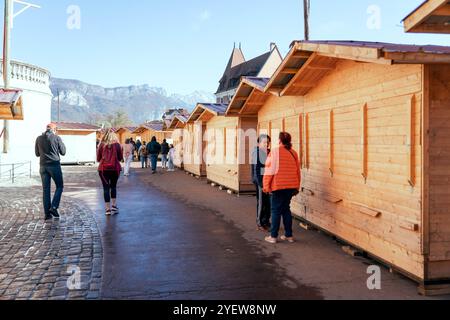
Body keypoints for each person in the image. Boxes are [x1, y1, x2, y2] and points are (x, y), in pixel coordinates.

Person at [263, 132, 301, 244]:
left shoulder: (274, 152)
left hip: (278, 186)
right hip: (291, 186)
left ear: (279, 140)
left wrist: (266, 186)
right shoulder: (294, 153)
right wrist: (297, 186)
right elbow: (298, 171)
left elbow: (269, 171)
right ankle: (289, 236)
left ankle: (273, 236)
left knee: (275, 211)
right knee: (286, 210)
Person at [35, 123, 67, 221]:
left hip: (43, 166)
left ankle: (47, 214)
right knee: (60, 186)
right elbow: (63, 152)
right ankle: (53, 207)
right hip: (54, 165)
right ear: (54, 129)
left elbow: (37, 154)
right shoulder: (56, 138)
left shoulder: (38, 138)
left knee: (46, 190)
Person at [97, 129, 123, 216]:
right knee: (113, 187)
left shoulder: (101, 145)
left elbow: (98, 158)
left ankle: (107, 209)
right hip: (115, 169)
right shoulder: (117, 145)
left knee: (106, 188)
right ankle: (114, 206)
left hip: (103, 169)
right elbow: (120, 158)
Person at [252, 134, 271, 232]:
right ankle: (259, 223)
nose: (266, 144)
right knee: (262, 202)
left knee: (268, 203)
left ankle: (266, 221)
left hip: (267, 181)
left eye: (268, 142)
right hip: (260, 181)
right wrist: (261, 184)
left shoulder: (268, 152)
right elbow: (256, 170)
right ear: (259, 143)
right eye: (264, 142)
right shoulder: (257, 153)